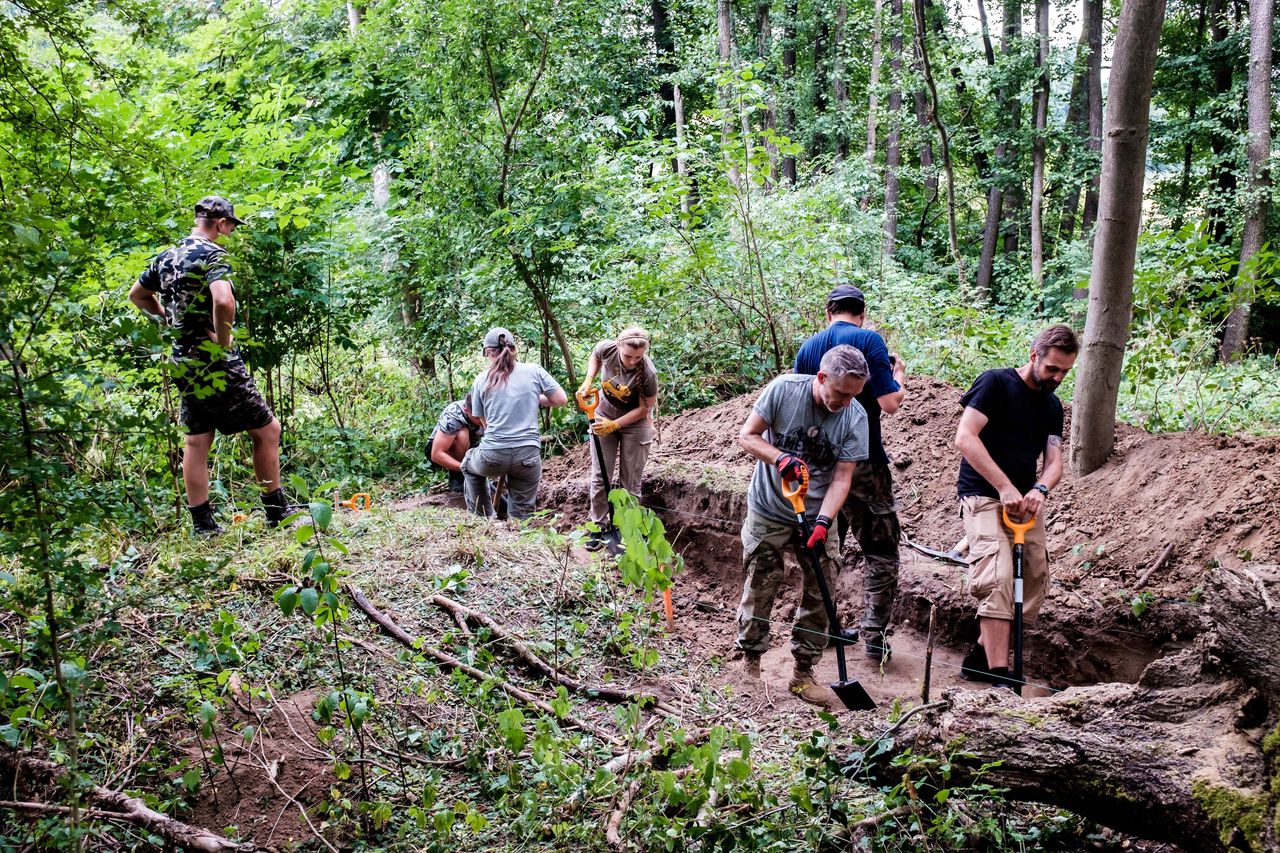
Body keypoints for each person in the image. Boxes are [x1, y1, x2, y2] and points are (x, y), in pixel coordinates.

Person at [128, 195, 288, 536]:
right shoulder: (212, 254)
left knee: (197, 441)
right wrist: (225, 341)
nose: (230, 231)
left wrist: (167, 321)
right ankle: (277, 514)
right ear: (219, 222)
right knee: (267, 430)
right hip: (214, 359)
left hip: (182, 360)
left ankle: (203, 526)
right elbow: (223, 300)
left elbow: (137, 295)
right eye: (230, 224)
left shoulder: (166, 257)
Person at [735, 345, 870, 705]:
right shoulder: (784, 390)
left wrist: (825, 521)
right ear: (822, 378)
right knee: (762, 579)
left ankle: (802, 673)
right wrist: (780, 458)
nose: (844, 402)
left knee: (822, 591)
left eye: (853, 395)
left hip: (818, 511)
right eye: (840, 393)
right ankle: (750, 662)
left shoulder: (855, 416)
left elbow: (843, 479)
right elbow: (747, 436)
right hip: (769, 507)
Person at [954, 324, 1079, 688]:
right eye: (1052, 369)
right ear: (1033, 356)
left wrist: (1040, 488)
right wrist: (1004, 486)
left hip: (1024, 503)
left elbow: (1055, 462)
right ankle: (999, 677)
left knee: (1036, 578)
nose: (1057, 377)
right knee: (998, 577)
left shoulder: (1053, 406)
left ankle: (980, 654)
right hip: (983, 495)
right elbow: (965, 437)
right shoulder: (994, 383)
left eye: (1064, 372)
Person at [794, 283, 908, 661]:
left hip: (817, 462)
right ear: (862, 312)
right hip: (863, 462)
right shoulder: (870, 340)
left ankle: (825, 626)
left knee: (828, 543)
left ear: (829, 312)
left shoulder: (809, 347)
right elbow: (890, 403)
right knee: (880, 547)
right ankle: (874, 634)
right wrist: (899, 376)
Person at [461, 328, 567, 519]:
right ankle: (521, 533)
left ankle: (483, 519)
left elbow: (484, 423)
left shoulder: (481, 379)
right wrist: (535, 398)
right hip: (528, 456)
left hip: (492, 455)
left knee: (468, 464)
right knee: (522, 513)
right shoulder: (534, 371)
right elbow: (560, 399)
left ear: (488, 352)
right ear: (514, 348)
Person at [575, 326, 659, 550]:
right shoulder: (607, 349)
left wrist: (616, 425)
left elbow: (644, 409)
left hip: (635, 423)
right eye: (628, 356)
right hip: (603, 413)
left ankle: (626, 528)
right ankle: (599, 526)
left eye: (638, 357)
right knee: (600, 475)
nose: (632, 362)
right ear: (618, 346)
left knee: (629, 481)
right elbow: (595, 355)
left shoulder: (648, 373)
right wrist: (588, 380)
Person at [428, 394, 484, 492]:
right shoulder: (453, 414)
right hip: (440, 449)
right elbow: (436, 454)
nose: (482, 421)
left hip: (472, 448)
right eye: (477, 417)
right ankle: (458, 477)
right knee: (463, 434)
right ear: (466, 410)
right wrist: (466, 469)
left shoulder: (491, 409)